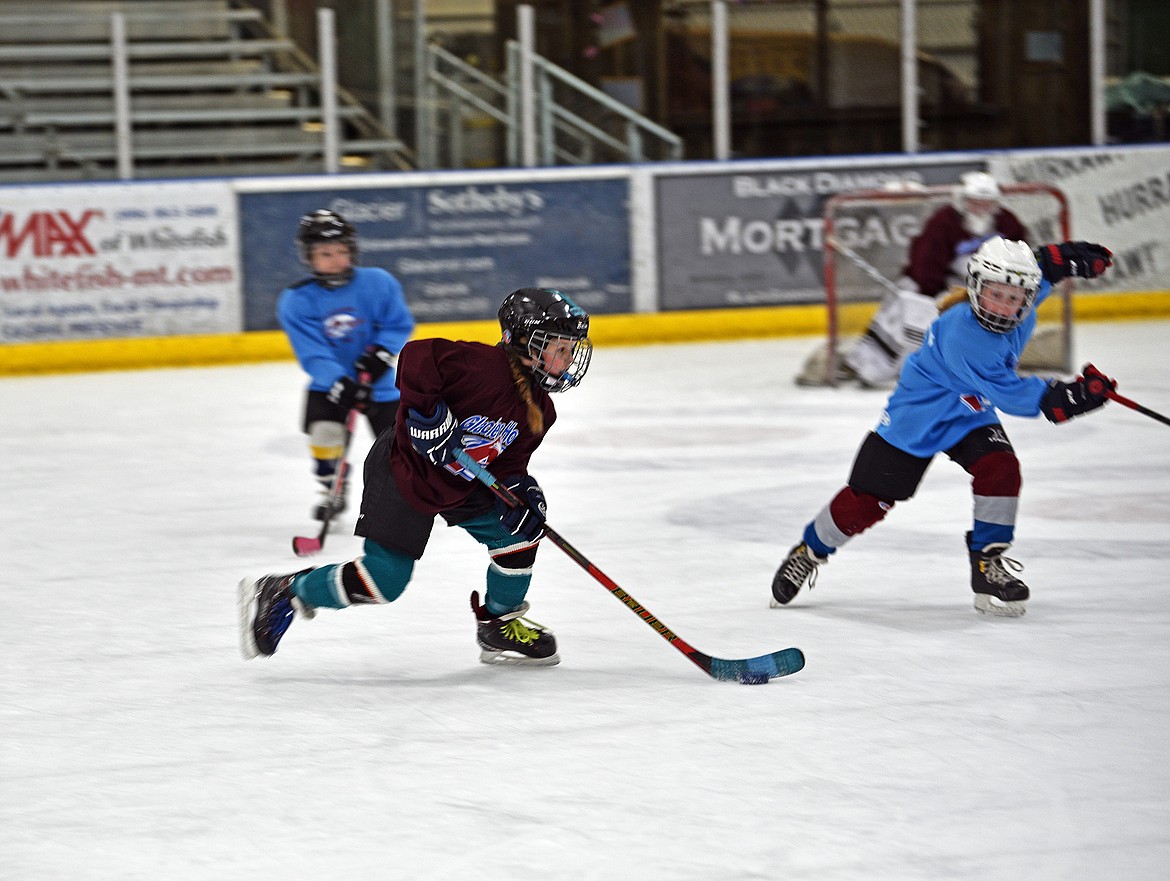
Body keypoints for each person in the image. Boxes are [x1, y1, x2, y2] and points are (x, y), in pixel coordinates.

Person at [239, 287, 593, 666]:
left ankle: (497, 624)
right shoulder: (480, 366)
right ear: (524, 342)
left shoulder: (541, 410)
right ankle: (286, 591)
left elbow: (507, 465)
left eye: (571, 350)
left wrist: (522, 492)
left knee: (520, 536)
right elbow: (415, 357)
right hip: (405, 469)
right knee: (384, 581)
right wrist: (426, 416)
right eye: (561, 348)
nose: (568, 360)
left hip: (462, 480)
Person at [771, 236, 1114, 618]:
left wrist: (1052, 263)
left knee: (999, 468)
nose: (1003, 307)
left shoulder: (1022, 307)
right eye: (995, 295)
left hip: (967, 409)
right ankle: (810, 549)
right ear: (975, 288)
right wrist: (1064, 396)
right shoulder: (964, 334)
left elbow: (1035, 281)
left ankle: (987, 562)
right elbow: (1012, 393)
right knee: (867, 502)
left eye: (1014, 299)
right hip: (918, 414)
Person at [277, 209, 416, 522]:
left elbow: (397, 323)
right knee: (324, 435)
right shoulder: (297, 300)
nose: (336, 259)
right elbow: (312, 353)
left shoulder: (378, 282)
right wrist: (340, 382)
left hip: (381, 385)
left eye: (342, 251)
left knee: (398, 446)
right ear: (308, 257)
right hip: (329, 386)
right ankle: (332, 488)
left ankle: (402, 494)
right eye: (325, 253)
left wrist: (381, 353)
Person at [842, 171, 1030, 387]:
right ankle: (870, 368)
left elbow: (1023, 260)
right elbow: (925, 271)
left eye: (987, 204)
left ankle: (982, 368)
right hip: (938, 289)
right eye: (974, 203)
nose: (981, 209)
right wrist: (948, 293)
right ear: (961, 200)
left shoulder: (1008, 224)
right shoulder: (943, 223)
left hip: (989, 294)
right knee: (908, 317)